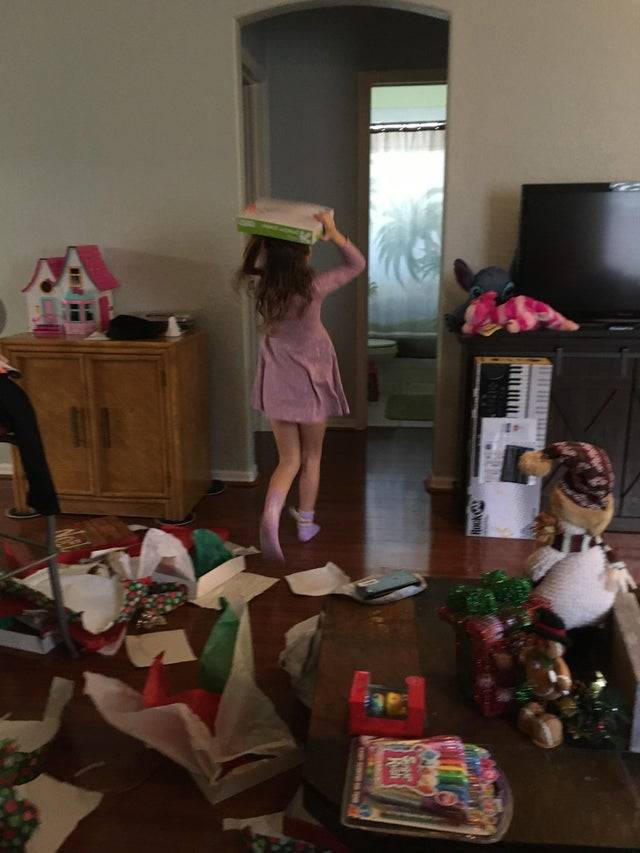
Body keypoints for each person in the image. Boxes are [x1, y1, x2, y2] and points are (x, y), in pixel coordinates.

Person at [237, 211, 366, 561]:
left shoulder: (260, 286)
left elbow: (251, 264)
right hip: (310, 386)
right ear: (303, 254)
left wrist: (259, 228)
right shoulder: (313, 288)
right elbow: (357, 264)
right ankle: (306, 523)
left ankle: (271, 512)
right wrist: (334, 233)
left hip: (277, 384)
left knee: (287, 460)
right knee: (312, 457)